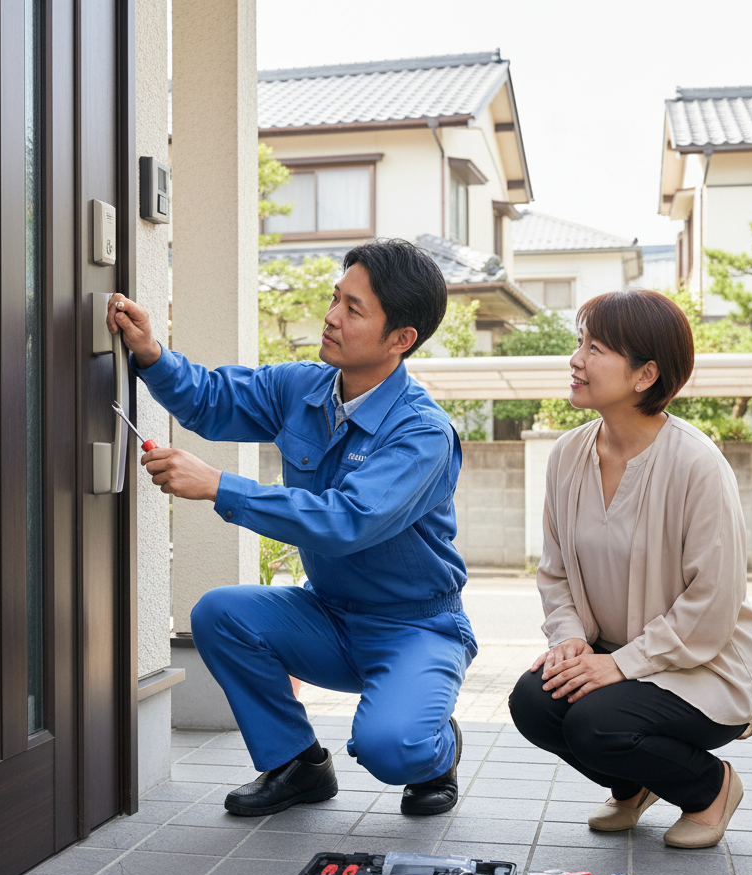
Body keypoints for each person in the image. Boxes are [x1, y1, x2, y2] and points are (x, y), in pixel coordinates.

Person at [107, 239, 476, 817]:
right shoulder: (302, 388)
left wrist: (219, 486)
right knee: (219, 613)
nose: (331, 317)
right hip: (328, 614)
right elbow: (211, 400)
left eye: (354, 310)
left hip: (415, 627)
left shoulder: (421, 433)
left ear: (401, 339)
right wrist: (151, 353)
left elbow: (346, 521)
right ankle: (297, 765)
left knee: (390, 748)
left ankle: (436, 746)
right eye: (336, 298)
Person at [508, 290, 752, 849]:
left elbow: (713, 602)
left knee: (595, 722)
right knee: (532, 700)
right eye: (580, 343)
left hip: (701, 667)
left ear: (645, 373)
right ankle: (633, 788)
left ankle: (710, 788)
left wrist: (622, 665)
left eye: (594, 347)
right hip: (616, 659)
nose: (576, 360)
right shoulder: (567, 455)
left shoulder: (697, 464)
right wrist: (570, 641)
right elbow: (554, 572)